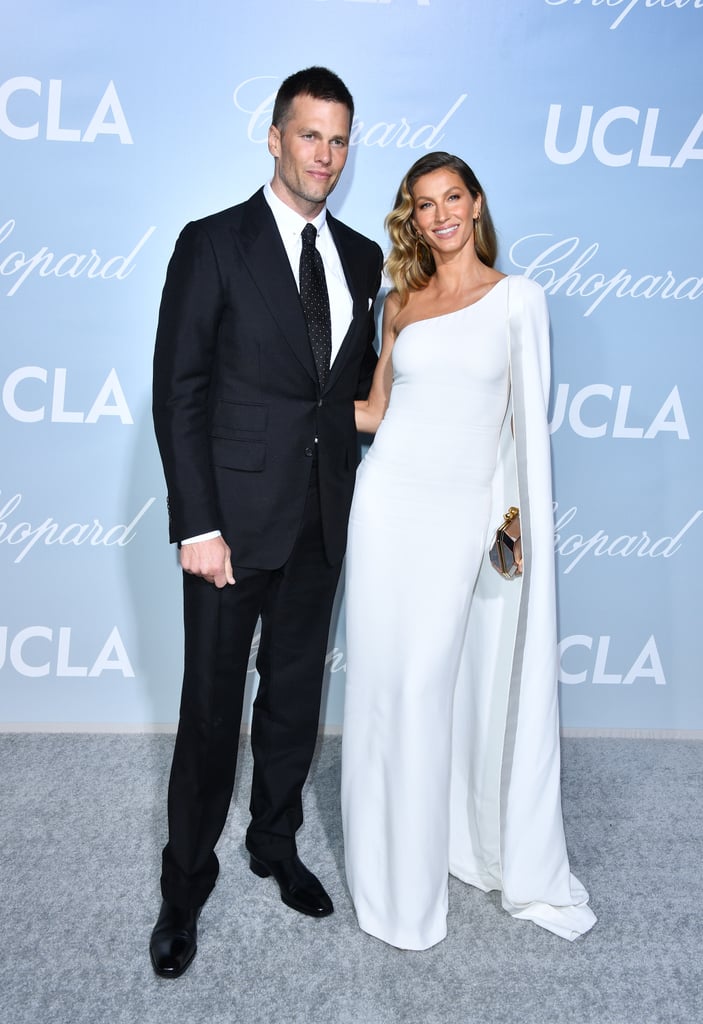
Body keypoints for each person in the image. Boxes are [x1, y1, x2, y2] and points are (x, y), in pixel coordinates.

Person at [150, 66, 383, 978]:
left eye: (338, 139)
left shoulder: (362, 257)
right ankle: (183, 879)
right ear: (275, 137)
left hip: (321, 520)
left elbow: (350, 395)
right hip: (229, 530)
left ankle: (274, 843)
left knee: (293, 706)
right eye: (309, 135)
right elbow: (181, 393)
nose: (323, 154)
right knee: (210, 712)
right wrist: (196, 523)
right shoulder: (211, 243)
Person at [341, 152, 596, 950]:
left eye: (453, 197)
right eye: (424, 204)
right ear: (411, 218)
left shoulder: (517, 300)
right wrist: (279, 402)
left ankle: (420, 883)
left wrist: (511, 521)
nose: (440, 214)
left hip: (456, 518)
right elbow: (376, 413)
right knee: (380, 694)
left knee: (424, 688)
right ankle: (387, 878)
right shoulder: (400, 302)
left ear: (477, 205)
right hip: (383, 508)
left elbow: (526, 433)